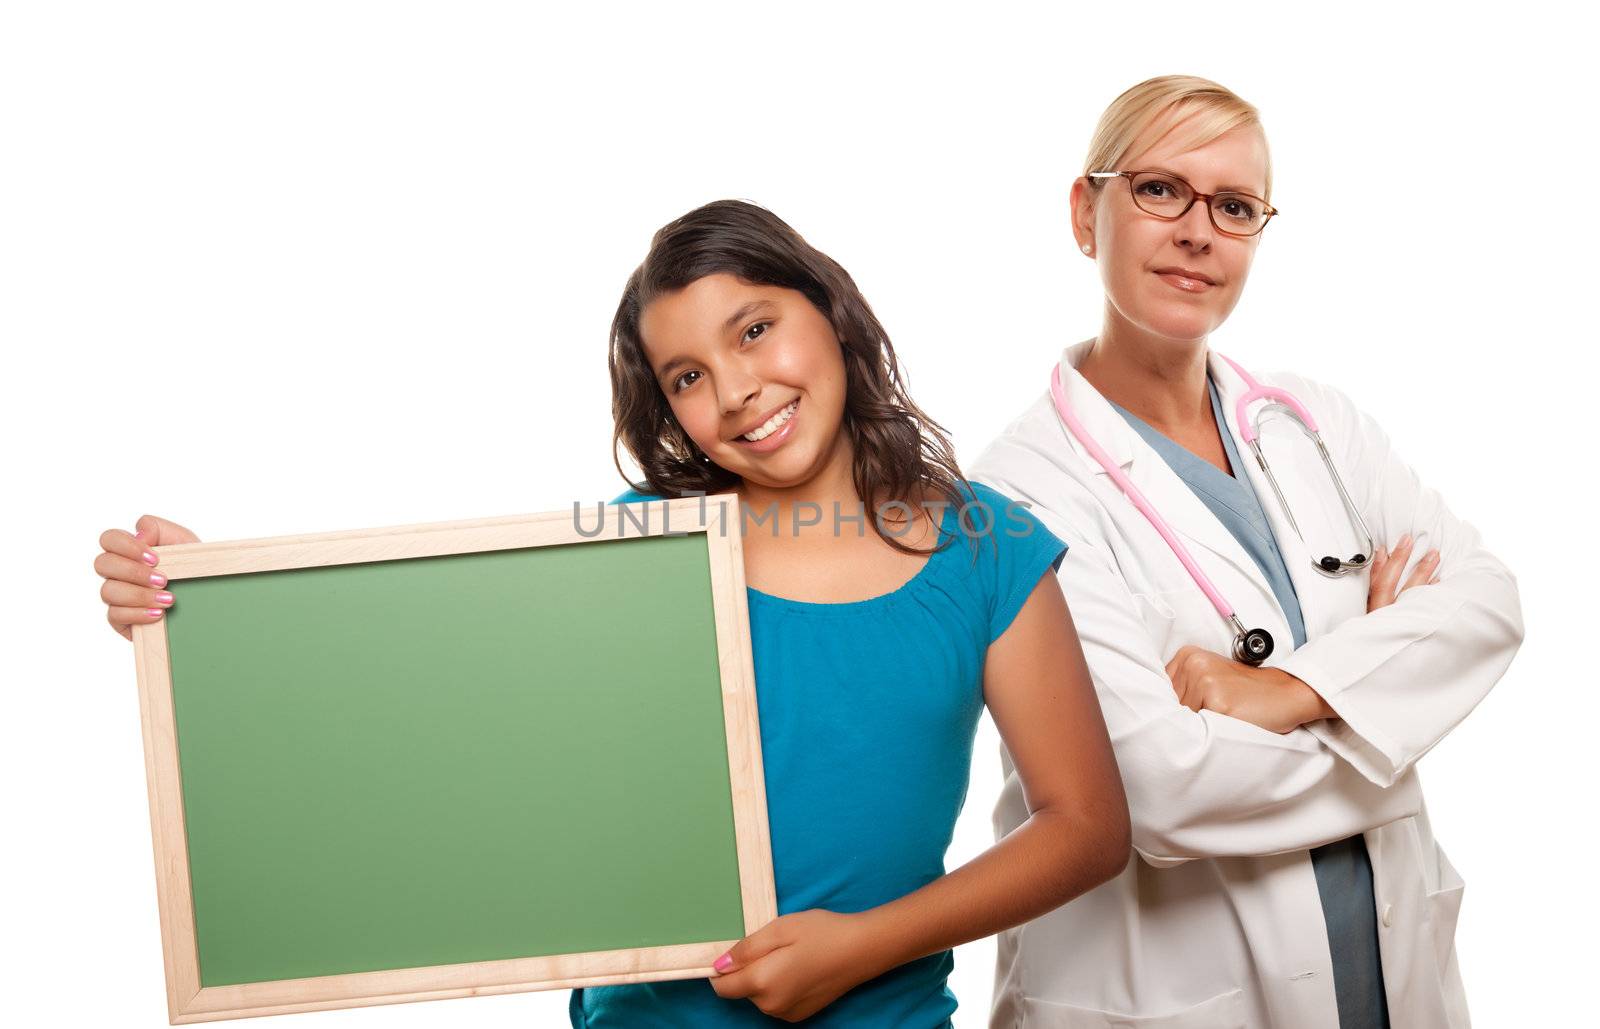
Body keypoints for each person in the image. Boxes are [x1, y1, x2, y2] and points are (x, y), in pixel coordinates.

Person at [94, 199, 1133, 1027]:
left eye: (756, 330)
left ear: (833, 310)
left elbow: (1086, 827)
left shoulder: (985, 547)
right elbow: (411, 692)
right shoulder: (633, 546)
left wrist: (860, 947)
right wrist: (208, 609)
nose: (735, 391)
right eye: (688, 375)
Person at [971, 76, 1524, 1029]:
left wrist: (1292, 693)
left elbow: (1489, 604)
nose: (1198, 231)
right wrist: (1397, 708)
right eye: (1159, 190)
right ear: (1084, 212)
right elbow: (1165, 789)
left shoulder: (1315, 424)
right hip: (1168, 997)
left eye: (1234, 206)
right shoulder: (1020, 493)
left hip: (1390, 977)